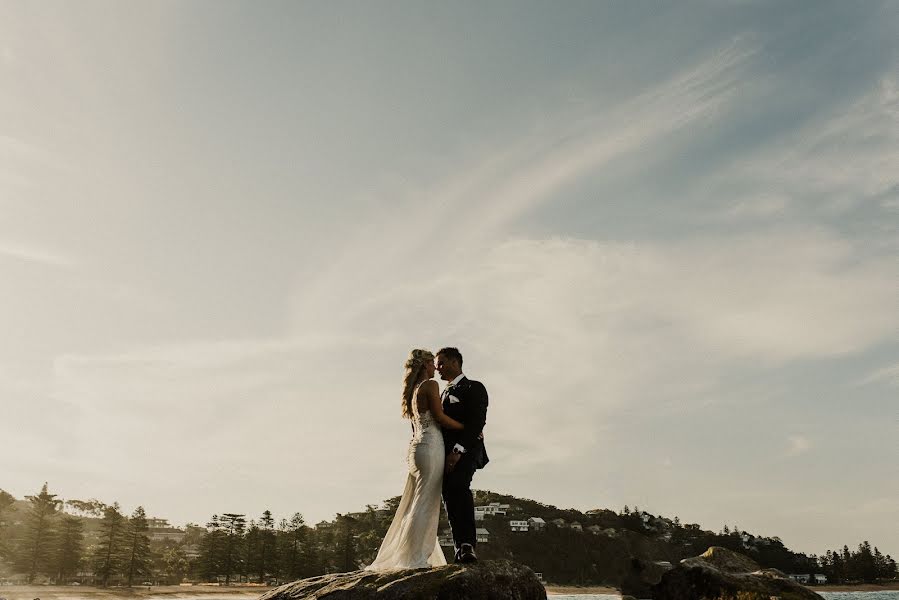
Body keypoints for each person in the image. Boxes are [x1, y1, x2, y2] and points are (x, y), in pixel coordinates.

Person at [365, 349, 465, 570]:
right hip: (431, 446)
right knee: (425, 503)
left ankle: (413, 554)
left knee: (416, 503)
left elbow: (415, 427)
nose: (435, 368)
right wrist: (467, 429)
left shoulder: (412, 393)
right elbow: (439, 417)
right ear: (425, 365)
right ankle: (414, 558)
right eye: (433, 363)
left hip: (416, 449)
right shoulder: (430, 386)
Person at [435, 347, 488, 564]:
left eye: (441, 363)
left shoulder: (474, 387)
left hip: (467, 450)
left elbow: (477, 423)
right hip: (441, 454)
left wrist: (457, 451)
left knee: (459, 487)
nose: (438, 368)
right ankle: (459, 547)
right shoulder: (441, 392)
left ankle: (467, 546)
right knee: (448, 495)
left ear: (455, 362)